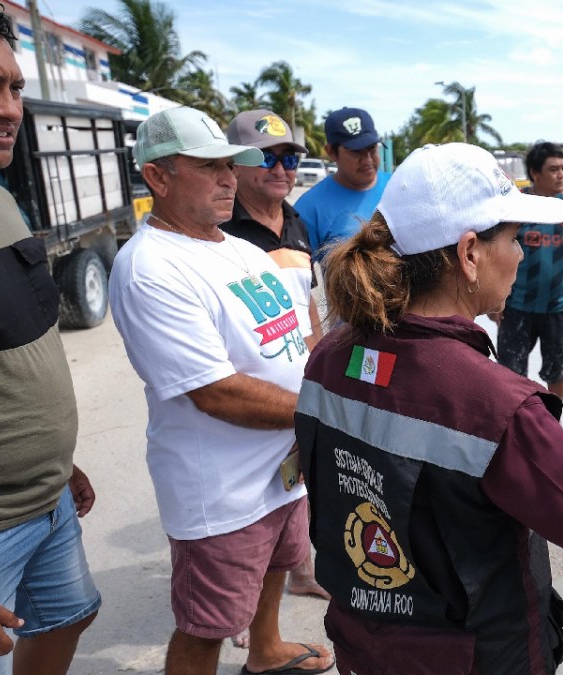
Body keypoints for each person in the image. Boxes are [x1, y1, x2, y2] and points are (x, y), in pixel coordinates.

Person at [294, 142, 563, 674]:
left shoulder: (330, 354)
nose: (523, 254)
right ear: (469, 254)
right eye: (514, 238)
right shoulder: (494, 404)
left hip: (363, 644)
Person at [108, 106, 334, 675]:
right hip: (222, 492)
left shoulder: (236, 248)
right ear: (158, 177)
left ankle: (266, 650)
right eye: (209, 167)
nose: (229, 178)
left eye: (231, 166)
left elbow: (297, 336)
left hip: (281, 468)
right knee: (207, 624)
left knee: (279, 565)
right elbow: (216, 393)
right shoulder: (151, 269)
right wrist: (327, 413)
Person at [0, 2, 100, 671]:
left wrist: (52, 458)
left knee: (70, 614)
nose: (8, 107)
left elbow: (5, 342)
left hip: (42, 500)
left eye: (14, 87)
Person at [220, 109, 329, 643]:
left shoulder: (295, 220)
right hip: (242, 396)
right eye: (267, 157)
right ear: (236, 165)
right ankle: (241, 615)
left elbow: (306, 301)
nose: (282, 169)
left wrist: (318, 363)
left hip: (297, 382)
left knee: (296, 486)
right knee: (246, 512)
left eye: (290, 158)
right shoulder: (218, 229)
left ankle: (301, 574)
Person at [492, 141, 563, 423]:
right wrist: (495, 299)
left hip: (559, 307)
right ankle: (511, 428)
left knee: (557, 371)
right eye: (554, 169)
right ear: (535, 174)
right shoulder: (516, 206)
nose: (561, 174)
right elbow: (496, 252)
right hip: (517, 306)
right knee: (510, 374)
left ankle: (552, 426)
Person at [294, 107, 390, 261]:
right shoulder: (309, 208)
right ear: (331, 152)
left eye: (371, 148)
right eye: (356, 151)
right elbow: (299, 274)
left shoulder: (399, 187)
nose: (367, 159)